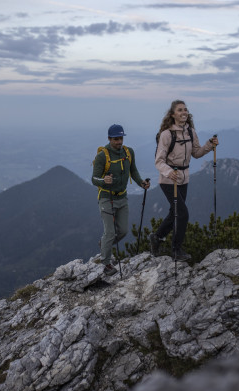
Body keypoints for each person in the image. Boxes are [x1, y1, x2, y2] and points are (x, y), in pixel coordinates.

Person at [150, 100, 219, 261]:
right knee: (182, 213)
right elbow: (159, 161)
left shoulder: (190, 132)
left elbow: (196, 153)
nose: (184, 112)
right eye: (180, 110)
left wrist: (209, 145)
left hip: (184, 178)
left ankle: (157, 237)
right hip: (169, 180)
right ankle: (176, 249)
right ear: (173, 114)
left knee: (174, 211)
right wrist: (169, 172)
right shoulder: (167, 134)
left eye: (185, 109)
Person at [92, 124, 150, 276]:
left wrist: (141, 182)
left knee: (123, 231)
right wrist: (104, 181)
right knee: (110, 232)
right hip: (106, 197)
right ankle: (105, 263)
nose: (119, 141)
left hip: (122, 197)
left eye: (121, 138)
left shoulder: (128, 152)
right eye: (116, 139)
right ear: (109, 139)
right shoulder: (102, 156)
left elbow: (133, 170)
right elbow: (94, 179)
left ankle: (104, 244)